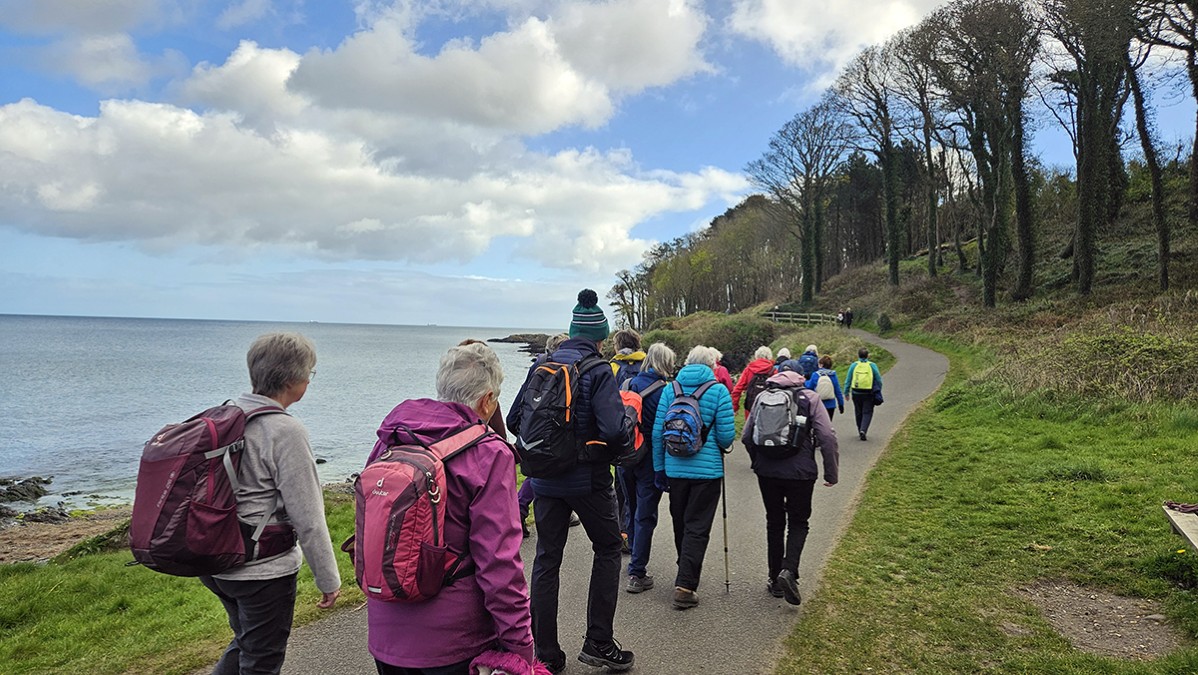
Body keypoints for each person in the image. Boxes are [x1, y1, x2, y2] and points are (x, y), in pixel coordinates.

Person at [366, 342, 537, 675]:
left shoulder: (392, 436)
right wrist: (520, 645)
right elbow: (499, 561)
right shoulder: (489, 453)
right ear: (488, 399)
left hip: (386, 632)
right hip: (455, 642)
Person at [508, 289, 635, 673]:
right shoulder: (599, 370)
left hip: (545, 481)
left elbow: (514, 420)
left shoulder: (542, 365)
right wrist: (626, 423)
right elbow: (613, 430)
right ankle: (599, 641)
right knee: (608, 548)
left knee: (547, 559)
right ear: (600, 337)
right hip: (588, 480)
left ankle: (545, 652)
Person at [200, 332, 340, 675]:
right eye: (309, 373)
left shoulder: (225, 414)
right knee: (261, 661)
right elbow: (308, 517)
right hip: (261, 570)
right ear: (294, 381)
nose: (309, 380)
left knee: (246, 643)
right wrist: (329, 580)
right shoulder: (284, 431)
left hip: (215, 560)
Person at [742, 366, 838, 606]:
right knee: (798, 522)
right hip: (801, 473)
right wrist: (831, 472)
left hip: (767, 471)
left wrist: (757, 462)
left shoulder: (763, 396)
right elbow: (827, 436)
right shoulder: (810, 398)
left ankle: (775, 579)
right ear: (801, 377)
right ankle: (789, 570)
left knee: (774, 522)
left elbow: (746, 436)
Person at [651, 345, 736, 610]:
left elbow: (657, 433)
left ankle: (684, 567)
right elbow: (726, 437)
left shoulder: (671, 389)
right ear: (712, 365)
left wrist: (659, 468)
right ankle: (686, 586)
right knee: (697, 526)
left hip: (675, 469)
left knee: (681, 521)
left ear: (687, 363)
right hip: (707, 472)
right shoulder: (718, 391)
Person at [619, 342, 675, 594]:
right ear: (665, 364)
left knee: (630, 507)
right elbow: (663, 429)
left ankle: (634, 551)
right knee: (646, 515)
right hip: (649, 459)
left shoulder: (627, 384)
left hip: (625, 455)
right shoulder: (665, 391)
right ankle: (637, 572)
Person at [516, 333, 579, 538]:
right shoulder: (566, 368)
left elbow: (521, 399)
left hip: (531, 428)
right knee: (541, 474)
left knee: (536, 473)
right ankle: (521, 509)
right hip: (552, 430)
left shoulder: (538, 366)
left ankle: (520, 510)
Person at [846, 348, 882, 441]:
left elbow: (848, 379)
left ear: (858, 355)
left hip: (856, 392)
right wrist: (878, 390)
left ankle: (860, 430)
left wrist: (846, 392)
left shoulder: (854, 365)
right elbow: (879, 380)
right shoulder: (872, 365)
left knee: (858, 412)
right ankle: (863, 430)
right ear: (867, 356)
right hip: (868, 392)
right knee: (867, 412)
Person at [731, 346, 776, 421]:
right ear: (769, 356)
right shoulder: (773, 370)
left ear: (756, 356)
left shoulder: (749, 369)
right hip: (768, 406)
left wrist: (735, 407)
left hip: (751, 407)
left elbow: (737, 389)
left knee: (750, 427)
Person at [806, 355, 845, 421]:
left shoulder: (816, 374)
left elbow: (809, 387)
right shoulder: (833, 375)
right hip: (831, 405)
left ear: (821, 365)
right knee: (828, 423)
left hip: (818, 404)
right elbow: (838, 391)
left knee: (818, 423)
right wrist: (841, 404)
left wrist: (805, 381)